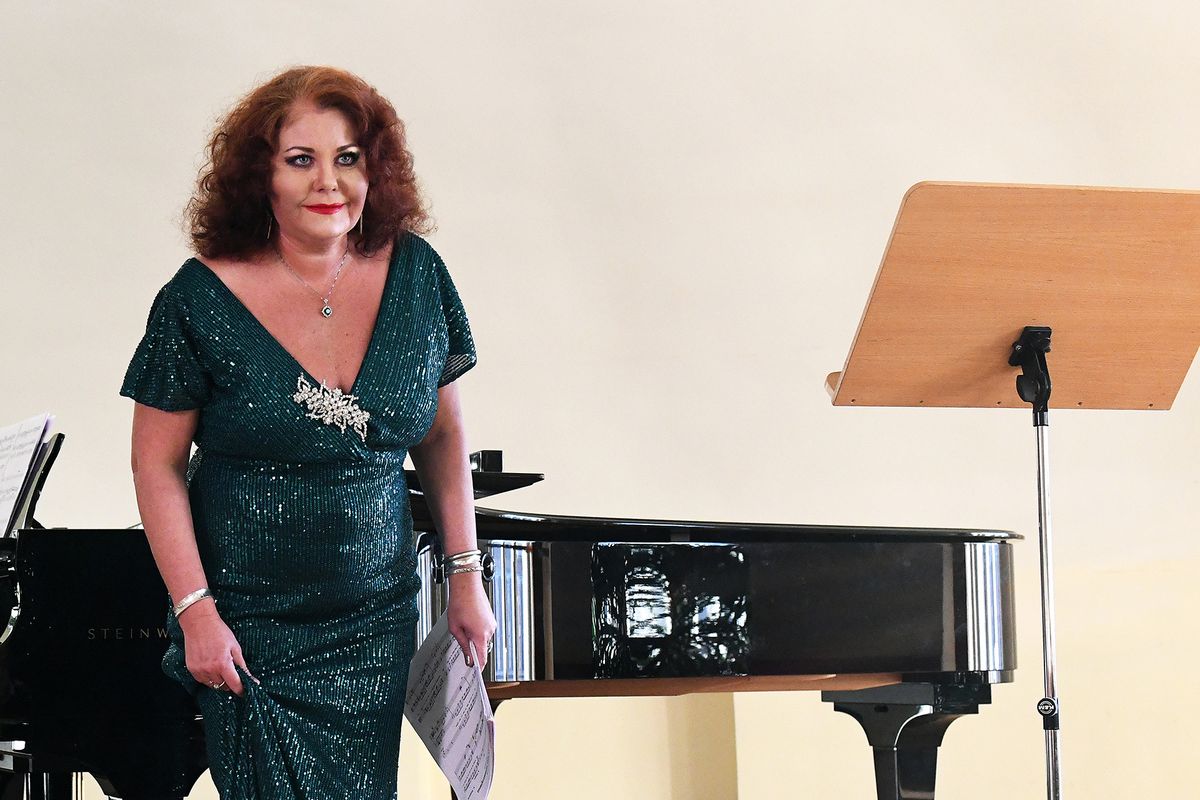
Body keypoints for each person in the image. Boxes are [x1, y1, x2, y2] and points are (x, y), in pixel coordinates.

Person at [121, 65, 495, 799]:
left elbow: (443, 437)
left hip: (375, 619)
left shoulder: (418, 274)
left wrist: (464, 575)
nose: (329, 182)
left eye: (347, 157)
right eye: (301, 160)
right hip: (250, 627)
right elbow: (155, 465)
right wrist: (196, 612)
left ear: (374, 168)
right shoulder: (196, 299)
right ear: (260, 175)